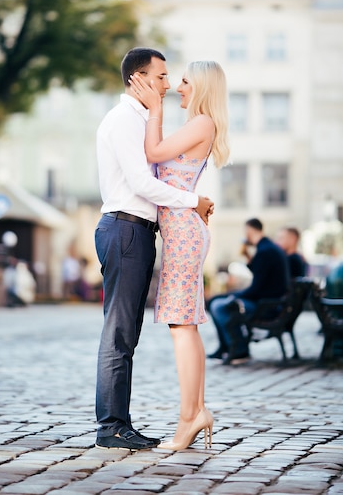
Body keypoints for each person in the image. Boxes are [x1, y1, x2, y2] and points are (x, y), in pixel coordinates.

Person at [94, 47, 214, 451]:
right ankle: (112, 426)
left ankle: (124, 423)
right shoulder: (125, 121)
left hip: (142, 231)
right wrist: (192, 201)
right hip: (126, 228)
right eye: (161, 76)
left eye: (171, 78)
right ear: (139, 78)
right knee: (120, 333)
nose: (167, 83)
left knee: (130, 332)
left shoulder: (147, 121)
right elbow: (143, 183)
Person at [129, 59, 230, 451]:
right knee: (185, 325)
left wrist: (155, 109)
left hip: (185, 233)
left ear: (202, 87)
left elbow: (153, 153)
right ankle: (196, 411)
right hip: (184, 231)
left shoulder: (201, 122)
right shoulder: (198, 124)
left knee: (181, 325)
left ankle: (190, 417)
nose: (177, 87)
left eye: (185, 81)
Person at [208, 218, 290, 365]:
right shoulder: (269, 248)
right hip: (271, 301)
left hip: (266, 305)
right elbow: (262, 274)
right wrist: (247, 255)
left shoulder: (265, 251)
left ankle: (239, 349)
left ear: (249, 231)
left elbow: (256, 288)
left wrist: (233, 295)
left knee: (218, 306)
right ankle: (226, 347)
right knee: (217, 301)